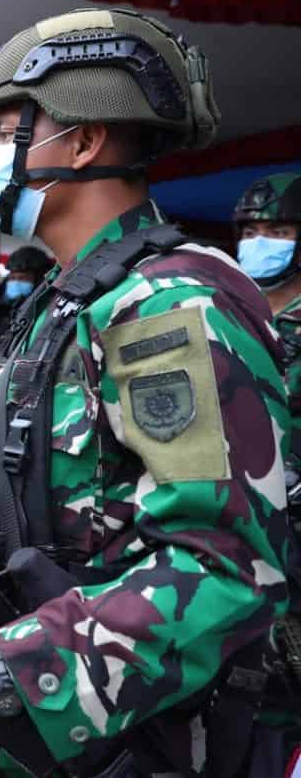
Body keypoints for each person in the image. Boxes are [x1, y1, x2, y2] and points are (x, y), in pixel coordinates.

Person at [0, 8, 293, 777]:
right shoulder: (67, 300)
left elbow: (224, 570)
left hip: (129, 747)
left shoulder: (165, 307)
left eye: (6, 130)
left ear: (82, 140)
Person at [232, 173, 301, 755]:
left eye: (277, 231)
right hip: (236, 549)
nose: (261, 241)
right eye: (252, 231)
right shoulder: (233, 314)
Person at [0, 244, 54, 318]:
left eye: (22, 278)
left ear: (40, 281)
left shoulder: (49, 313)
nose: (16, 283)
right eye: (12, 277)